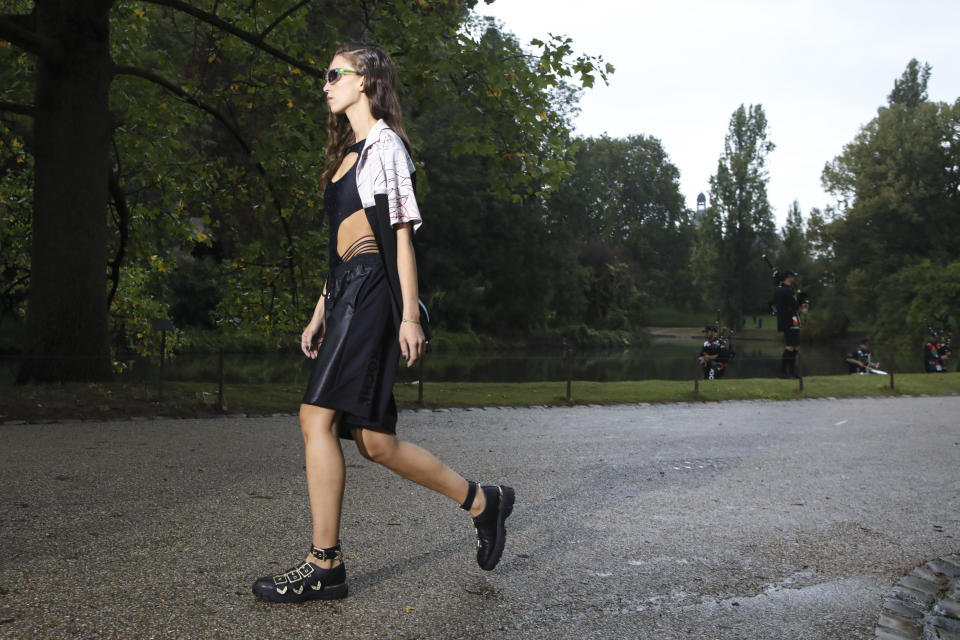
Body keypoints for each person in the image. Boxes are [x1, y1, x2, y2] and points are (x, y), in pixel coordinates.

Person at [252, 43, 514, 603]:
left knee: (314, 417)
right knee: (373, 442)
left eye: (334, 75)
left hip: (374, 293)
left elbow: (398, 238)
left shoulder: (385, 147)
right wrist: (319, 311)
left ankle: (325, 564)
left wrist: (411, 314)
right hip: (345, 290)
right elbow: (340, 247)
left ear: (366, 81)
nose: (325, 84)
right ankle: (482, 501)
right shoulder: (344, 157)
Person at [772, 269, 808, 378]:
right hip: (790, 321)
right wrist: (802, 306)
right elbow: (793, 305)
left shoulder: (784, 289)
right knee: (790, 346)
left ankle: (791, 372)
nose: (794, 278)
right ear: (788, 277)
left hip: (791, 320)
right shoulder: (786, 291)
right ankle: (784, 373)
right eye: (793, 276)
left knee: (795, 346)